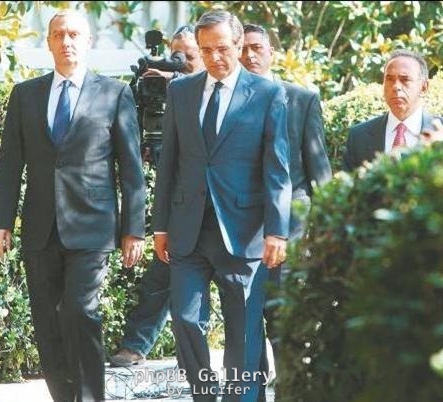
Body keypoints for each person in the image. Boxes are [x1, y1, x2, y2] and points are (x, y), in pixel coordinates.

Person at [0, 10, 146, 402]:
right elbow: (10, 163)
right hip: (40, 227)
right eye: (59, 34)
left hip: (93, 228)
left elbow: (131, 168)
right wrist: (1, 221)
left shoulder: (114, 94)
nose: (67, 42)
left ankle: (91, 397)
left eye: (74, 34)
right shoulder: (25, 95)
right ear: (48, 42)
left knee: (80, 310)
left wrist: (134, 228)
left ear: (88, 41)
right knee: (47, 322)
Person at [153, 10, 292, 402]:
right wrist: (160, 225)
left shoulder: (267, 94)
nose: (215, 57)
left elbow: (277, 169)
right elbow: (169, 163)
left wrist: (277, 231)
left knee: (243, 333)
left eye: (223, 48)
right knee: (184, 319)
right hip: (189, 230)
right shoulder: (181, 92)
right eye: (206, 50)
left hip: (244, 233)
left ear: (239, 44)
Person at [238, 23, 333, 398]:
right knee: (245, 321)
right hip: (241, 226)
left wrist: (326, 227)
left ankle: (293, 392)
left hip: (291, 226)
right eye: (243, 48)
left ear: (271, 52)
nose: (249, 55)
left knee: (283, 318)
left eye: (257, 47)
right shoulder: (227, 101)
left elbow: (319, 169)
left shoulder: (301, 99)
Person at [109, 24, 206, 368]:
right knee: (161, 274)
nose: (180, 63)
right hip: (180, 205)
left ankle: (200, 357)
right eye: (175, 56)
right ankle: (136, 344)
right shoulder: (160, 90)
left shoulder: (213, 92)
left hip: (218, 207)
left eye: (189, 57)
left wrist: (178, 84)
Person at [343, 49, 443, 171]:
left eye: (405, 79)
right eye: (389, 79)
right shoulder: (358, 136)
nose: (396, 86)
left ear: (424, 87)